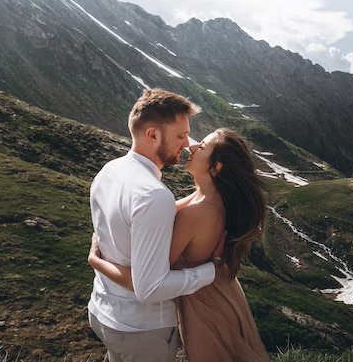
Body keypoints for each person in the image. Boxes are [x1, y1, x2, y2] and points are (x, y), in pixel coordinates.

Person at [89, 127, 270, 362]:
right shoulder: (204, 197)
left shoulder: (199, 211)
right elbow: (155, 215)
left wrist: (96, 260)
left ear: (216, 167)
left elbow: (143, 282)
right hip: (217, 292)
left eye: (202, 147)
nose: (190, 147)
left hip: (207, 305)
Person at [87, 88, 224, 362]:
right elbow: (150, 289)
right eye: (180, 136)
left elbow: (131, 223)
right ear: (153, 135)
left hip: (102, 311)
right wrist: (211, 271)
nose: (187, 144)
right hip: (142, 328)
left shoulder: (109, 171)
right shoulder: (153, 196)